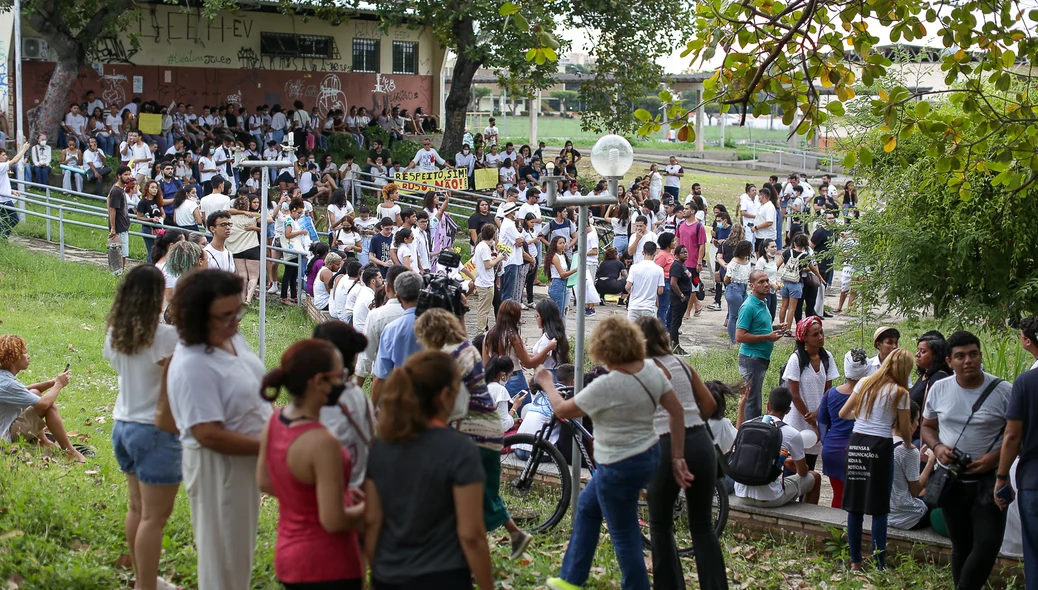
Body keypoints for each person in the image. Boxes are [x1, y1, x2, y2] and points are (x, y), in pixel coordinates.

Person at [536, 317, 694, 590]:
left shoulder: (605, 386)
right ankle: (571, 579)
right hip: (648, 457)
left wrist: (547, 383)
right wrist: (678, 456)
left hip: (617, 465)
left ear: (603, 349)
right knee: (587, 507)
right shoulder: (651, 372)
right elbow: (677, 411)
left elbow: (562, 411)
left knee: (624, 533)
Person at [166, 270, 272, 590]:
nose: (235, 321)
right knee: (224, 560)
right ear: (198, 317)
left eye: (237, 311)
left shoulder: (230, 338)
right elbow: (207, 433)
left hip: (245, 460)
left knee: (238, 554)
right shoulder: (192, 364)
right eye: (226, 316)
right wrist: (273, 442)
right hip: (220, 467)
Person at [363, 351, 495, 590]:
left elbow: (372, 522)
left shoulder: (380, 448)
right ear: (444, 396)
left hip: (389, 576)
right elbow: (472, 535)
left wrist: (377, 574)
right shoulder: (460, 450)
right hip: (444, 578)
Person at [414, 310, 533, 560]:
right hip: (489, 427)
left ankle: (460, 546)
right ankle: (514, 534)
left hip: (469, 431)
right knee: (486, 490)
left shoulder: (444, 358)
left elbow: (445, 400)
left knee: (459, 491)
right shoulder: (468, 349)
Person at [257, 339, 365, 589]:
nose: (344, 383)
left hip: (288, 558)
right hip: (329, 564)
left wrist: (310, 498)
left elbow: (264, 481)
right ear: (319, 382)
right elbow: (334, 520)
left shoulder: (274, 420)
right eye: (341, 376)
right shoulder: (323, 442)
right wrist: (370, 505)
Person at [103, 266, 182, 590]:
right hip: (154, 432)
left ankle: (143, 579)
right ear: (156, 295)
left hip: (123, 426)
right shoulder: (165, 336)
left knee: (137, 508)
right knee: (154, 517)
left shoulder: (114, 335)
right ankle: (146, 586)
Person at [634, 317, 728, 590]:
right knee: (702, 526)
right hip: (700, 442)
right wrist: (690, 420)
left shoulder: (642, 369)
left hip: (665, 445)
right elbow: (709, 404)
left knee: (660, 525)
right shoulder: (682, 364)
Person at [922, 330, 1013, 590]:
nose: (968, 361)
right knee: (961, 545)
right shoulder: (940, 388)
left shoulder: (1004, 391)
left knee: (987, 546)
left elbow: (1018, 434)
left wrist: (994, 458)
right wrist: (937, 447)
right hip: (951, 479)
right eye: (960, 356)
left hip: (990, 480)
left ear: (980, 356)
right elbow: (927, 427)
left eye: (973, 354)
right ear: (949, 362)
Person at [839, 348, 914, 570]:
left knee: (855, 505)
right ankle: (879, 563)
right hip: (880, 446)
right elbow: (905, 429)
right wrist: (909, 446)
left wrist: (863, 417)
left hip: (857, 443)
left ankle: (855, 561)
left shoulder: (864, 383)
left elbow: (843, 413)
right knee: (880, 507)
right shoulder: (900, 393)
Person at [995, 316, 1038, 581]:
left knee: (1034, 552)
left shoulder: (1027, 382)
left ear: (1027, 341)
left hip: (1033, 477)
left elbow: (1012, 435)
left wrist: (1001, 477)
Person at [734, 386, 822, 507]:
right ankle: (806, 519)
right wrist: (800, 465)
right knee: (815, 477)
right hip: (770, 498)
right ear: (788, 410)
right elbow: (802, 473)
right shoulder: (792, 433)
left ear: (768, 405)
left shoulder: (747, 425)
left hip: (741, 493)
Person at [0, 335, 82, 461]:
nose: (28, 356)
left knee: (35, 392)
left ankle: (43, 440)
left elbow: (25, 391)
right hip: (4, 440)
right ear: (14, 358)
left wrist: (52, 382)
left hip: (7, 428)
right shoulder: (9, 384)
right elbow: (43, 404)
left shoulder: (3, 378)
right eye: (25, 353)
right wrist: (59, 385)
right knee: (49, 406)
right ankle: (70, 451)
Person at [782, 317, 839, 471]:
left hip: (818, 417)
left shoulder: (827, 358)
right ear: (804, 337)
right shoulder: (796, 360)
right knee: (792, 469)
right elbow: (794, 394)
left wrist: (819, 413)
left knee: (810, 469)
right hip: (797, 421)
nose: (821, 337)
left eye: (821, 332)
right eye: (815, 334)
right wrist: (811, 417)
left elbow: (828, 391)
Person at [818, 349, 868, 508]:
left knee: (838, 496)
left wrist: (827, 443)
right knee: (859, 499)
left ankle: (836, 531)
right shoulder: (870, 396)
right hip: (860, 450)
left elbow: (822, 422)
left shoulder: (830, 394)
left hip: (833, 450)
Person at [370, 271, 424, 407]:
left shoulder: (392, 329)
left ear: (399, 298)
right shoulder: (439, 323)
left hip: (402, 401)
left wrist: (372, 411)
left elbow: (380, 376)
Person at [483, 300, 556, 400]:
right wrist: (548, 348)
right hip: (513, 377)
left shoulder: (488, 335)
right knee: (522, 411)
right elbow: (528, 363)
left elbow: (486, 363)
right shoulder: (513, 336)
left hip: (494, 379)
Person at [736, 270, 782, 421]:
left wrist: (775, 328)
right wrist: (767, 337)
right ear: (751, 286)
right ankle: (750, 433)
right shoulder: (748, 306)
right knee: (752, 401)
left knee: (755, 397)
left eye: (767, 281)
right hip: (751, 359)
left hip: (760, 358)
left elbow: (759, 326)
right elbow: (740, 336)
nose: (766, 285)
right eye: (761, 282)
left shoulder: (763, 302)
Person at [890, 401, 939, 530]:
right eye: (917, 420)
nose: (918, 425)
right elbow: (915, 491)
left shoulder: (881, 441)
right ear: (908, 422)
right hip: (907, 517)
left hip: (884, 513)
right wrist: (930, 462)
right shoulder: (907, 450)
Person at [909, 333, 952, 440]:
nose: (917, 354)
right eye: (918, 350)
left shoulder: (938, 378)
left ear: (936, 355)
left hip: (923, 438)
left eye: (923, 352)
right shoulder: (925, 375)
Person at [226, 195, 263, 305]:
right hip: (252, 247)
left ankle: (241, 299)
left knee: (242, 276)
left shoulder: (229, 218)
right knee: (253, 276)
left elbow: (225, 210)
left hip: (236, 249)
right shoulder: (252, 216)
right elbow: (269, 220)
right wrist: (255, 228)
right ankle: (248, 299)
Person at [721, 240, 753, 345]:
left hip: (743, 288)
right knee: (734, 315)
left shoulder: (747, 260)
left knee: (745, 313)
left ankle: (741, 337)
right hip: (734, 288)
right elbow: (727, 278)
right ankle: (733, 341)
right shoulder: (734, 262)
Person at [626, 241, 665, 322]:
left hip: (634, 306)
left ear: (643, 252)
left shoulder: (634, 267)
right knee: (649, 333)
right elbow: (660, 291)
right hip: (649, 307)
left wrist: (632, 293)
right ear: (655, 253)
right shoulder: (659, 270)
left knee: (632, 333)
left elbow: (627, 286)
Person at [107, 166, 133, 275]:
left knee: (123, 254)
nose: (128, 177)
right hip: (119, 227)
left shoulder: (119, 189)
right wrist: (113, 228)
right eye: (125, 174)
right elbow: (112, 209)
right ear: (119, 176)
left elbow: (107, 199)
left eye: (129, 174)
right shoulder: (117, 190)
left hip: (123, 225)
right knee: (120, 254)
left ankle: (119, 274)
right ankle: (118, 275)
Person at [545, 235, 578, 314]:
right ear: (555, 245)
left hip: (565, 284)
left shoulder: (563, 256)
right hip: (558, 284)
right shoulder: (555, 257)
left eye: (564, 243)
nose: (563, 245)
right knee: (558, 312)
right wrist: (575, 270)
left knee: (564, 311)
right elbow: (562, 274)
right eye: (560, 243)